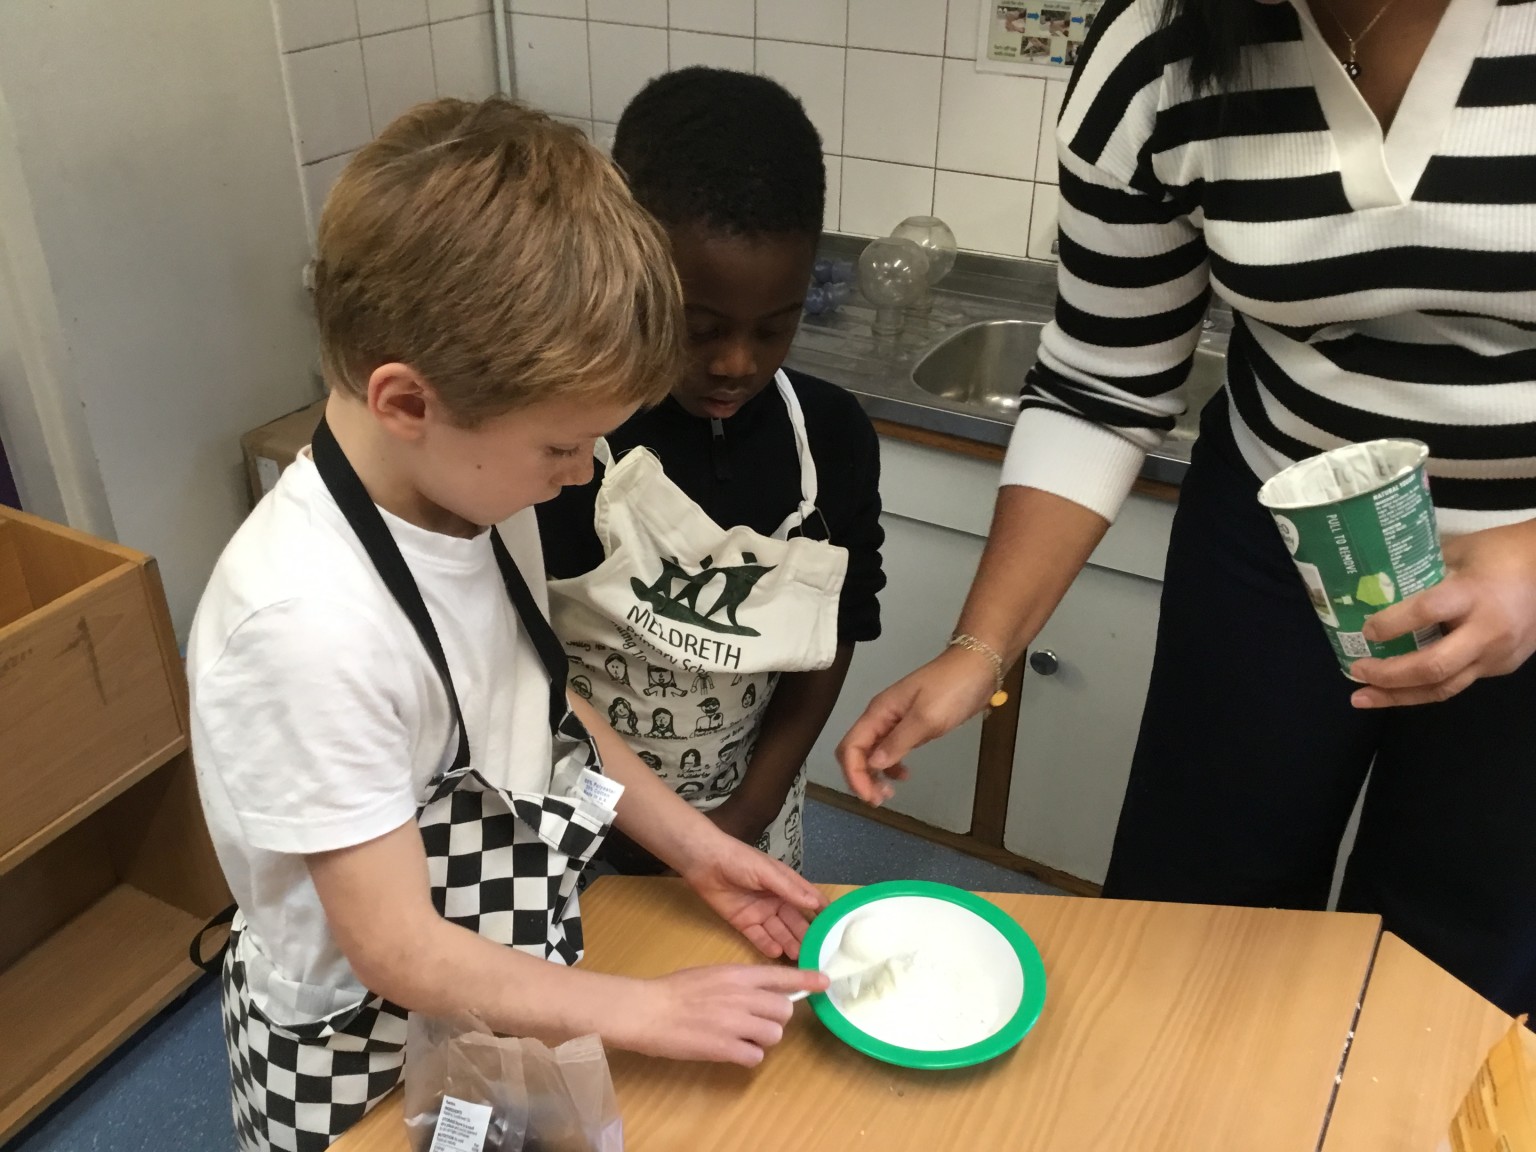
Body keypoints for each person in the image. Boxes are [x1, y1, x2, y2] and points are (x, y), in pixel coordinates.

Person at [839, 0, 1536, 1018]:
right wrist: (979, 648)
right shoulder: (1161, 51)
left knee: (1460, 958)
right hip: (1276, 542)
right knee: (1200, 917)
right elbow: (1102, 382)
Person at [188, 98, 827, 1152]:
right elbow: (399, 951)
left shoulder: (469, 489)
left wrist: (697, 848)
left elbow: (541, 696)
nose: (579, 476)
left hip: (500, 976)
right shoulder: (304, 630)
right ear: (406, 401)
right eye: (562, 448)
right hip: (358, 1053)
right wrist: (647, 1010)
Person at [538, 68, 886, 875]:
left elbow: (838, 628)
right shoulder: (560, 439)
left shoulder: (829, 436)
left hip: (750, 808)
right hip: (580, 826)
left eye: (776, 327)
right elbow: (514, 660)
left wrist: (746, 814)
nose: (737, 363)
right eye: (698, 327)